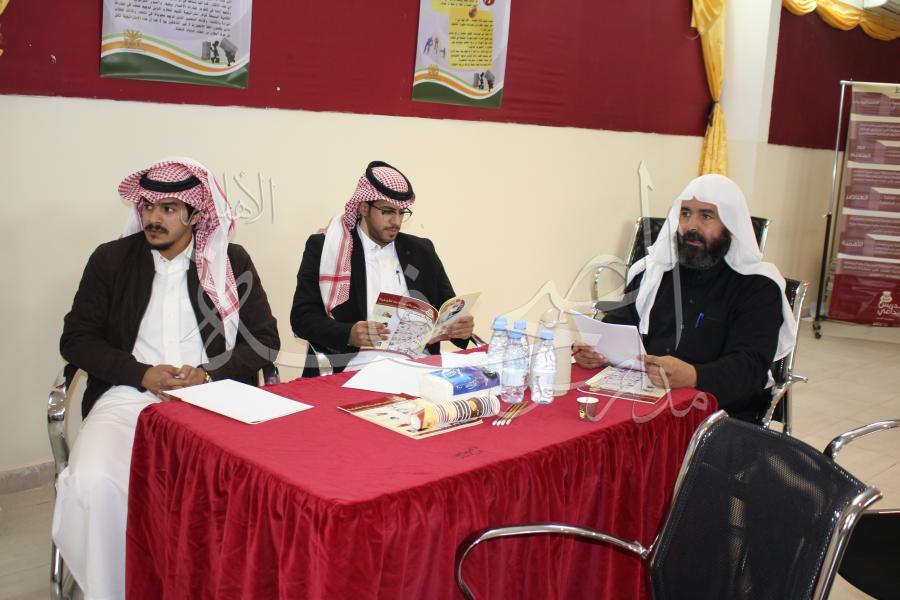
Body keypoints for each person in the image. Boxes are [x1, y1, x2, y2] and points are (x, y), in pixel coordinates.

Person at [53, 158, 280, 599]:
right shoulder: (111, 260)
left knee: (248, 490)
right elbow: (76, 340)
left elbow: (265, 343)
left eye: (169, 208)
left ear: (196, 215)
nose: (154, 218)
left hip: (214, 400)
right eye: (148, 206)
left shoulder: (230, 261)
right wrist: (142, 374)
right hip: (128, 398)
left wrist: (208, 374)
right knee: (94, 482)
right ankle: (113, 589)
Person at [574, 174, 797, 420]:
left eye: (706, 216)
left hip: (718, 415)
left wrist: (693, 375)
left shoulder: (758, 286)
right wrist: (594, 347)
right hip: (643, 400)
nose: (692, 226)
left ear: (731, 226)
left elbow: (749, 368)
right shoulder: (657, 272)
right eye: (685, 213)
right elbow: (621, 320)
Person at [290, 161, 474, 375]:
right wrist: (348, 333)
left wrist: (460, 327)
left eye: (401, 212)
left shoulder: (421, 250)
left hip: (418, 365)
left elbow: (446, 309)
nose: (396, 221)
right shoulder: (329, 248)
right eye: (387, 211)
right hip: (355, 366)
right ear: (364, 208)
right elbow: (302, 318)